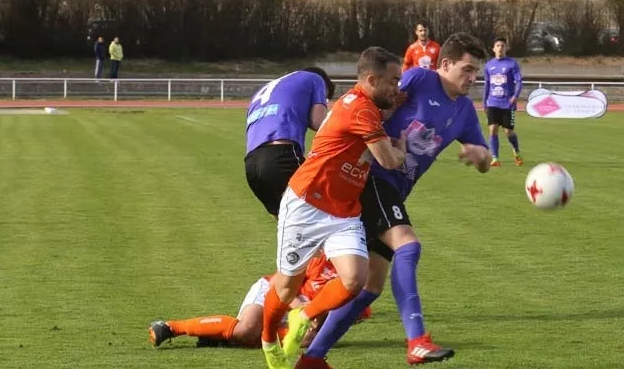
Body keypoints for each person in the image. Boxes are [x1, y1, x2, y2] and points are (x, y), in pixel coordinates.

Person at [296, 32, 492, 369]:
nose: (473, 78)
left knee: (370, 287)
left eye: (476, 72)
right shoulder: (418, 79)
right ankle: (417, 341)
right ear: (444, 65)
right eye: (467, 69)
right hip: (373, 177)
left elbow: (486, 162)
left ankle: (312, 357)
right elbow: (372, 100)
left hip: (396, 190)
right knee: (408, 245)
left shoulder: (464, 111)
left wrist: (480, 155)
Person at [259, 46, 407, 369]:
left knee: (355, 279)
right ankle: (268, 337)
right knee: (285, 287)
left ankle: (305, 315)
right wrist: (402, 151)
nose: (398, 88)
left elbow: (395, 106)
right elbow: (387, 160)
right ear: (371, 80)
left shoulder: (366, 105)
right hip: (306, 204)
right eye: (394, 81)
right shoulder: (360, 109)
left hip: (343, 210)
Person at [146, 253, 371, 350]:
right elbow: (279, 286)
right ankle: (170, 327)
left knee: (307, 340)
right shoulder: (318, 260)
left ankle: (225, 339)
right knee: (246, 329)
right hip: (276, 292)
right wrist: (303, 308)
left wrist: (316, 320)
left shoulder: (358, 288)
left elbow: (337, 322)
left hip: (301, 316)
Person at [245, 68, 336, 217]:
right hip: (282, 156)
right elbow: (319, 123)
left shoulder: (268, 89)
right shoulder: (316, 79)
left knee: (286, 223)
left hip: (252, 165)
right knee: (323, 214)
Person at [483, 37, 524, 167]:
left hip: (507, 103)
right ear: (493, 49)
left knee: (508, 132)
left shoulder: (512, 64)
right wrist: (484, 102)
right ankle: (495, 158)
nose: (500, 48)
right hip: (493, 103)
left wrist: (515, 96)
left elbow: (519, 81)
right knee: (493, 129)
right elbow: (487, 84)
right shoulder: (489, 65)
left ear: (506, 48)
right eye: (498, 45)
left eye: (503, 45)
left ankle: (516, 152)